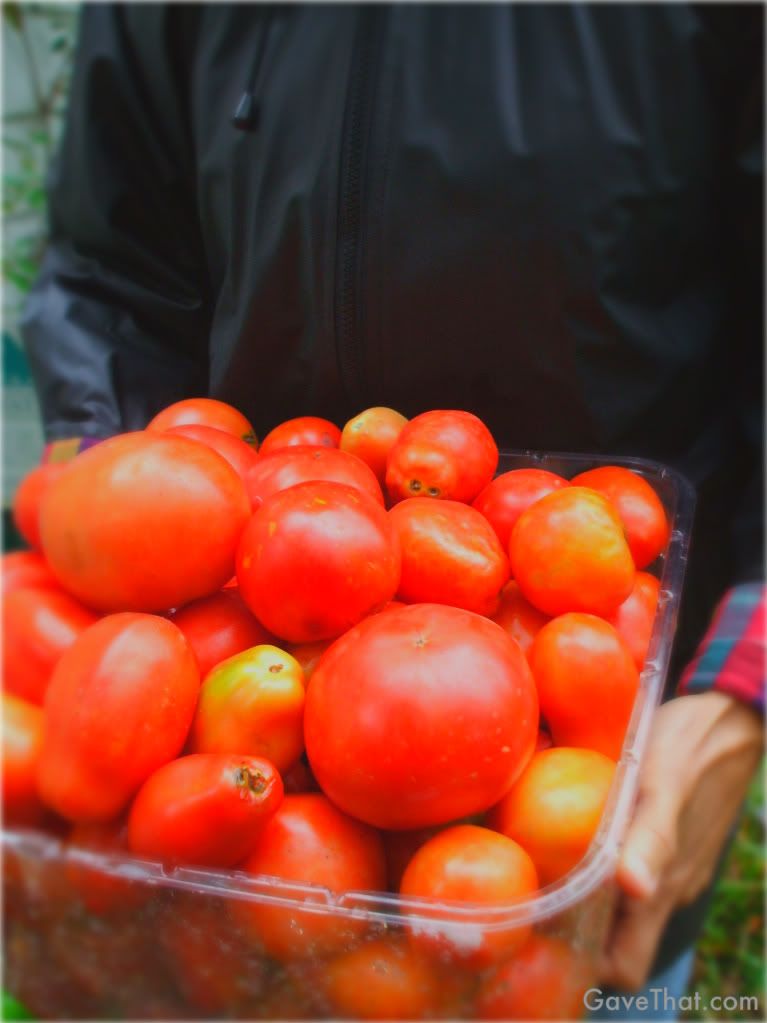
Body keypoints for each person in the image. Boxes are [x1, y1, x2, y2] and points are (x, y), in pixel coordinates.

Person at [20, 3, 764, 1012]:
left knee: (573, 989)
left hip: (623, 743)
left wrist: (744, 680)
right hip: (224, 746)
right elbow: (115, 269)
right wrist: (102, 532)